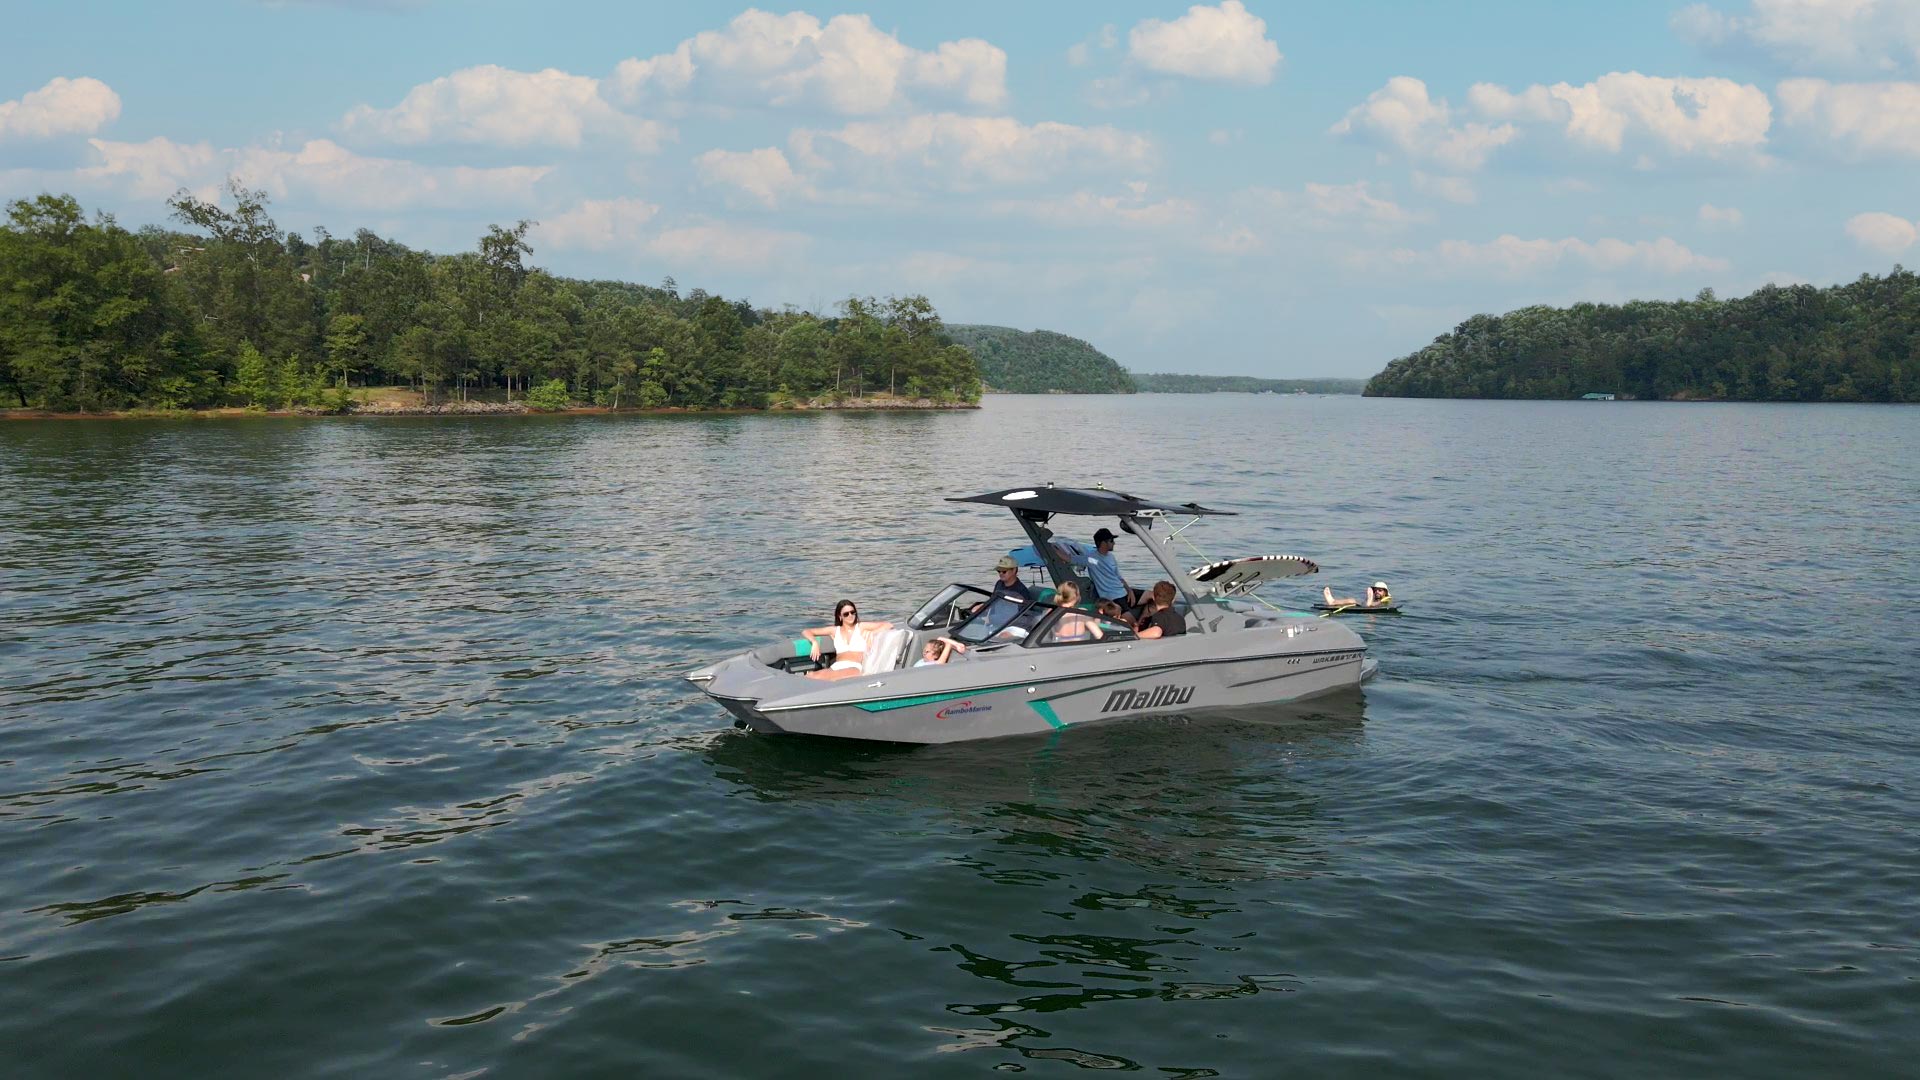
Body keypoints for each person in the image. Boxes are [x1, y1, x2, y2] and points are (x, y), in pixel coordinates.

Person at [801, 599, 894, 680]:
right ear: (840, 617)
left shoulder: (861, 627)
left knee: (831, 677)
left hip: (855, 667)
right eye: (846, 614)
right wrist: (814, 642)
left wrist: (873, 632)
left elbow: (888, 625)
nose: (850, 615)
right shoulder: (834, 630)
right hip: (836, 667)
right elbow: (806, 631)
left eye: (852, 612)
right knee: (812, 676)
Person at [1081, 527, 1141, 608]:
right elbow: (1069, 558)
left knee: (1152, 595)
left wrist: (1129, 591)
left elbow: (1119, 577)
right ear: (1103, 543)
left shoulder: (1111, 556)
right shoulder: (1091, 559)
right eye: (1111, 541)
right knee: (1132, 620)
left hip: (1122, 591)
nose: (1114, 543)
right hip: (1113, 597)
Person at [1323, 581, 1391, 609]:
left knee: (1378, 603)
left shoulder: (1386, 598)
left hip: (1375, 605)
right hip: (1365, 603)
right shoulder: (1374, 597)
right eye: (1375, 590)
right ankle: (1332, 601)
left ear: (1385, 592)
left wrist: (1370, 601)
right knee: (1352, 600)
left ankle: (1368, 604)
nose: (1377, 592)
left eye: (1380, 590)